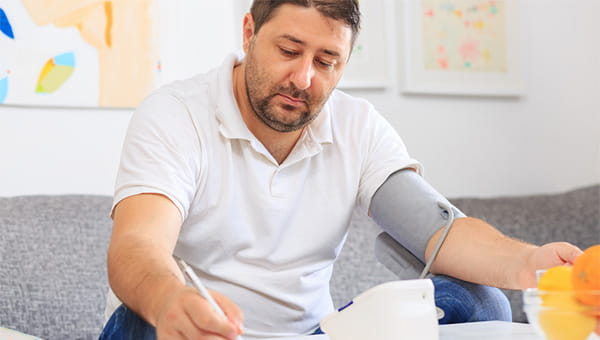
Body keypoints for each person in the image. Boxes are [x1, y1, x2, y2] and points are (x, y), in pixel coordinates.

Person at [99, 1, 582, 339]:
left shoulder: (357, 127)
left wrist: (530, 265)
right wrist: (168, 302)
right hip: (183, 325)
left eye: (326, 61)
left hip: (310, 335)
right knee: (151, 323)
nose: (304, 78)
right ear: (249, 33)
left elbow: (439, 232)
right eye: (288, 51)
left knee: (483, 305)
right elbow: (138, 246)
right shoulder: (176, 113)